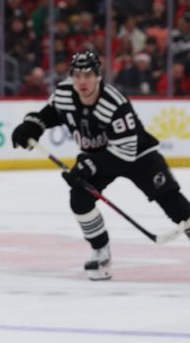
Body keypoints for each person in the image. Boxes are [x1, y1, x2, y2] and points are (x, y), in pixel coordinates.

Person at [11, 50, 190, 280]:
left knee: (172, 201)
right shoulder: (64, 93)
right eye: (77, 75)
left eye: (88, 75)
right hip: (99, 157)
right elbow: (50, 115)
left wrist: (88, 167)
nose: (82, 81)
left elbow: (124, 153)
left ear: (98, 76)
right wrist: (31, 127)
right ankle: (100, 250)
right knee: (80, 199)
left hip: (138, 155)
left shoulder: (114, 103)